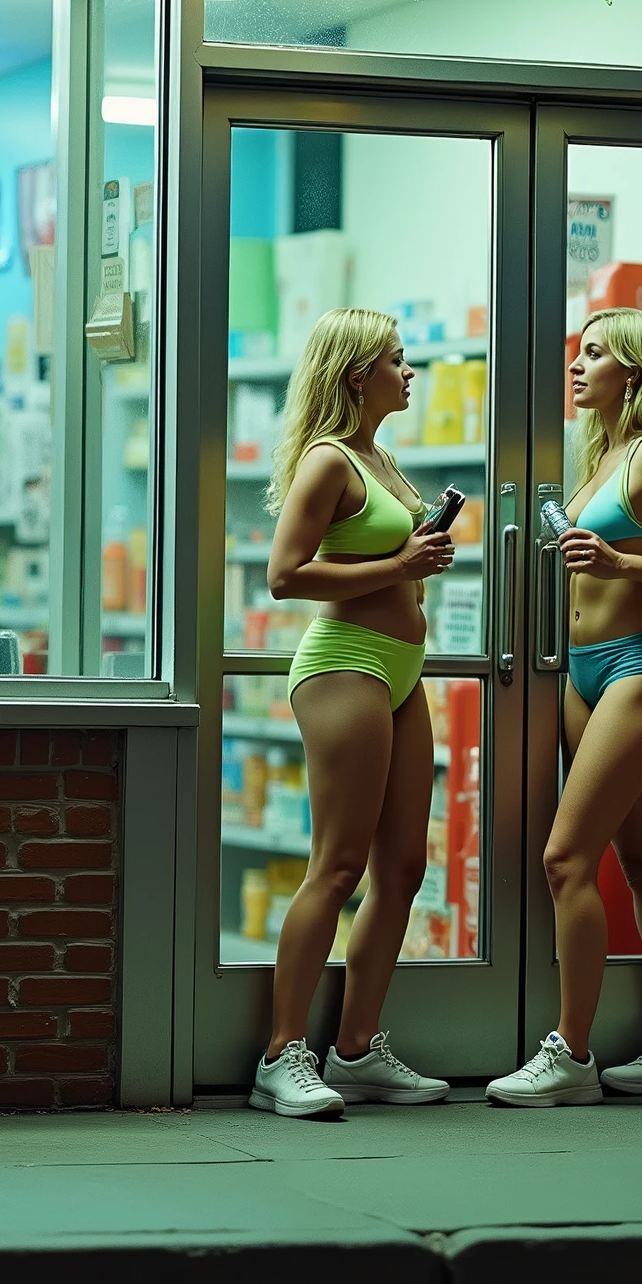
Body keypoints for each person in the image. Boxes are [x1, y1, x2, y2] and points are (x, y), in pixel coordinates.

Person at [489, 309, 642, 1106]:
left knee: (566, 859)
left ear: (633, 370)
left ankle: (571, 1055)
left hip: (640, 666)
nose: (577, 365)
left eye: (594, 353)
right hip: (581, 672)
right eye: (578, 351)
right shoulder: (600, 455)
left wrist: (630, 562)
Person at [250, 309, 458, 1118]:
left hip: (400, 671)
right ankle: (281, 1054)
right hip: (345, 665)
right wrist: (400, 563)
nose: (410, 374)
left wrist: (414, 563)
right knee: (336, 867)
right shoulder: (328, 462)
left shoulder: (382, 456)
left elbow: (385, 564)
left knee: (403, 867)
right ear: (354, 375)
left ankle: (358, 1049)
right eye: (397, 361)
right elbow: (284, 574)